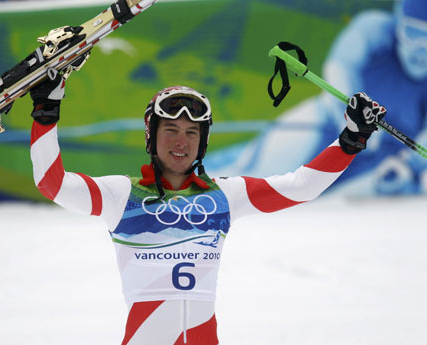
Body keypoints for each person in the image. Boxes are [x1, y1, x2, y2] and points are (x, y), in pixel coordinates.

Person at [28, 74, 385, 344]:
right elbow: (53, 184)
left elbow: (300, 187)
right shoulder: (122, 194)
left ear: (203, 143)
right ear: (151, 136)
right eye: (170, 130)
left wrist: (350, 140)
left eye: (192, 133)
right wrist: (46, 117)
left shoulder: (225, 195)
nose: (181, 142)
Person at [207, 0, 427, 196]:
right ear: (398, 24)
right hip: (325, 125)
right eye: (414, 34)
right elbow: (339, 68)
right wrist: (353, 125)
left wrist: (410, 166)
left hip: (379, 159)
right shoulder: (374, 30)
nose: (421, 49)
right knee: (255, 178)